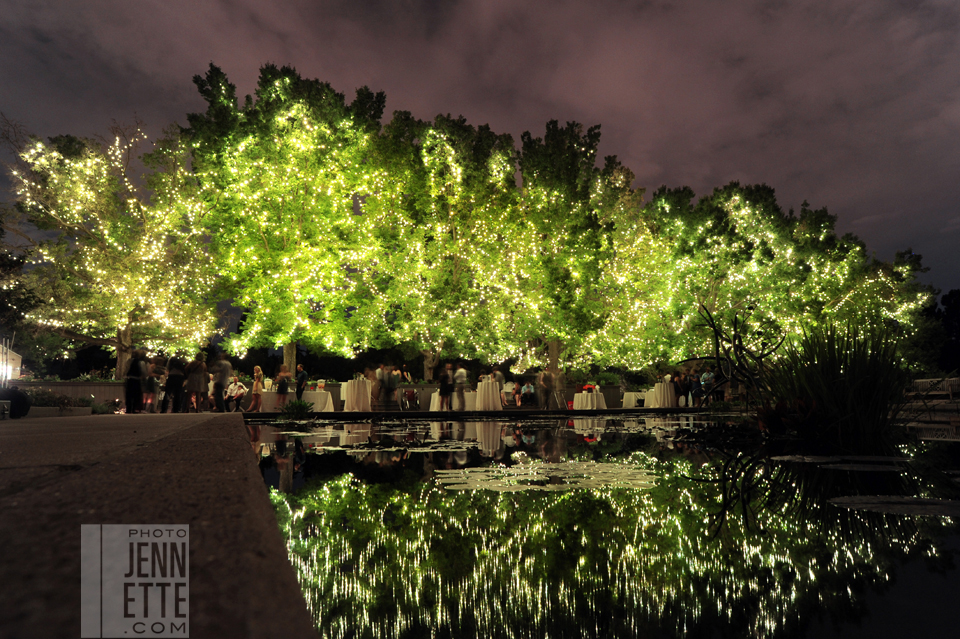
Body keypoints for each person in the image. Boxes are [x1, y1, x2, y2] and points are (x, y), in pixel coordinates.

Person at [124, 349, 147, 414]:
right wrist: (144, 377)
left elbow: (126, 369)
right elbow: (144, 372)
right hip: (136, 379)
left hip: (129, 379)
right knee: (136, 395)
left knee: (129, 395)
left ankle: (128, 409)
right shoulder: (141, 362)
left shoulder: (129, 361)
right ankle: (134, 409)